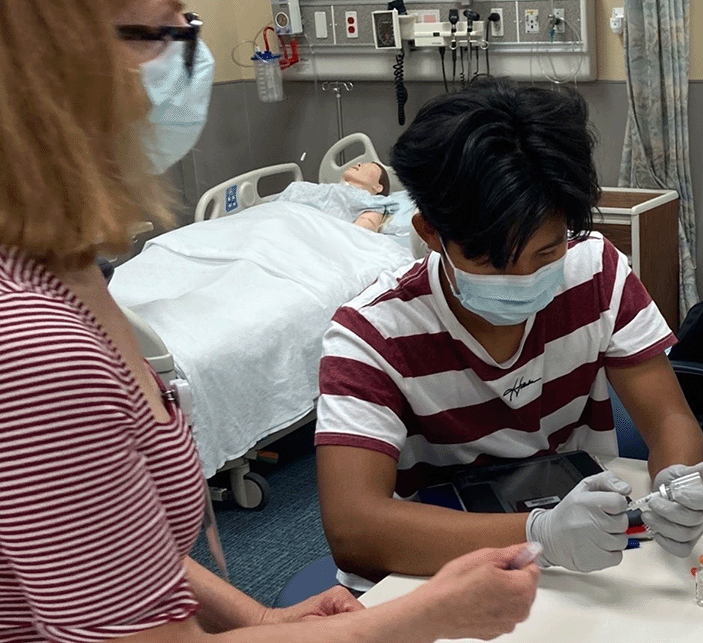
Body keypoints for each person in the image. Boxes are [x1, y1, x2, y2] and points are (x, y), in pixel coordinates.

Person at [0, 2, 538, 641]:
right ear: (46, 69)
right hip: (296, 234)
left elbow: (113, 546)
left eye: (190, 21)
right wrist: (431, 614)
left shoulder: (72, 268)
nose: (190, 56)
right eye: (158, 34)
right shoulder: (37, 345)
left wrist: (259, 619)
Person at [314, 77, 703, 589]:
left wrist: (678, 480)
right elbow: (354, 529)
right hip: (438, 574)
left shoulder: (595, 273)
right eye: (490, 260)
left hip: (579, 567)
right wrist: (537, 536)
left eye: (546, 252)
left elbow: (668, 418)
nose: (523, 278)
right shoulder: (370, 336)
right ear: (431, 234)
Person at [274, 161, 410, 232]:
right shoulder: (323, 188)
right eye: (360, 163)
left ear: (378, 187)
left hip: (302, 229)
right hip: (275, 216)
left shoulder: (372, 202)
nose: (358, 164)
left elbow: (361, 233)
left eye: (367, 166)